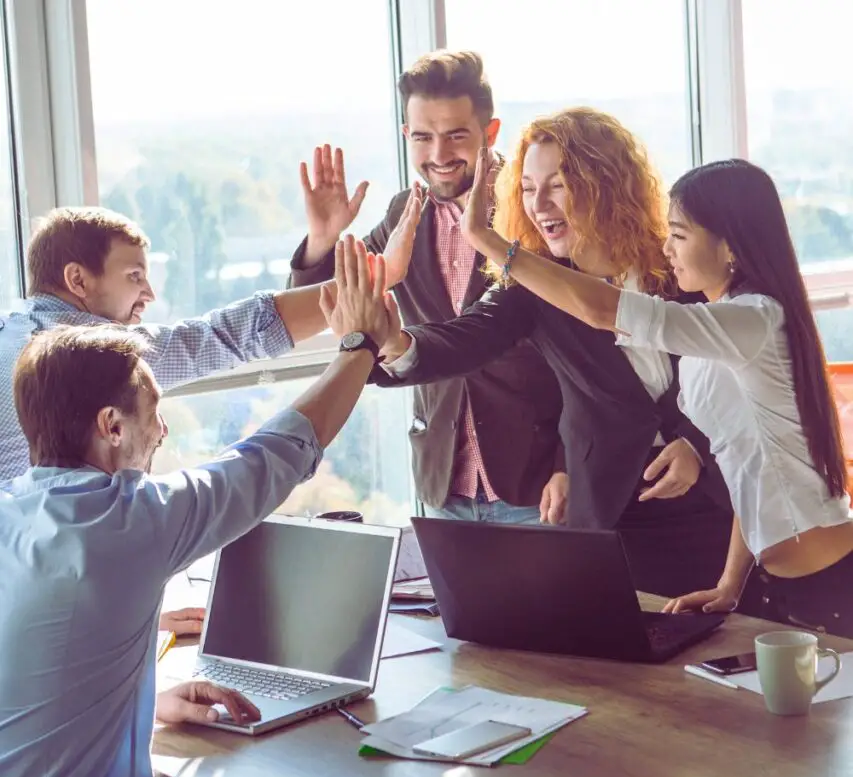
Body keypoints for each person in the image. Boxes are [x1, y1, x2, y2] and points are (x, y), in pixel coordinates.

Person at [0, 236, 399, 777]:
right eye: (155, 416)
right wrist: (358, 346)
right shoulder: (123, 523)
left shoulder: (15, 516)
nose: (163, 436)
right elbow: (273, 456)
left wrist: (146, 702)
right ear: (111, 426)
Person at [460, 152, 853, 635]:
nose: (666, 249)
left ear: (730, 246)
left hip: (826, 582)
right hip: (776, 581)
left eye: (680, 235)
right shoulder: (721, 329)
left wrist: (491, 243)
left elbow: (605, 311)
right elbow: (747, 468)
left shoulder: (755, 320)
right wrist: (730, 583)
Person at [0, 204, 418, 636]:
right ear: (77, 280)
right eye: (133, 277)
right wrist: (372, 288)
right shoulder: (84, 360)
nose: (149, 295)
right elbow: (226, 338)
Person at [375, 107, 734, 600]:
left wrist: (695, 441)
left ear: (606, 183)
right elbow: (463, 338)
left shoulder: (678, 263)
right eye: (526, 188)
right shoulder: (532, 283)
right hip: (610, 515)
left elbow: (739, 365)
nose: (539, 204)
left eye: (558, 185)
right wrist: (395, 343)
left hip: (712, 506)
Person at [289, 50, 568, 525]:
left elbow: (584, 353)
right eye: (423, 137)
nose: (439, 155)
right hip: (444, 483)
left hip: (536, 484)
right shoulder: (404, 214)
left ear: (490, 133)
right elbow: (327, 306)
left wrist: (568, 464)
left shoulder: (532, 209)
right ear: (406, 137)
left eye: (456, 136)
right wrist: (322, 239)